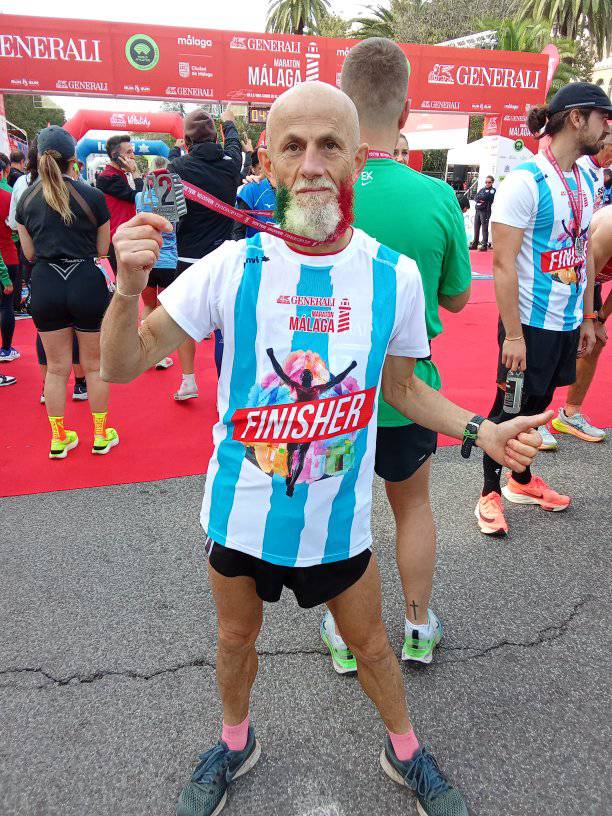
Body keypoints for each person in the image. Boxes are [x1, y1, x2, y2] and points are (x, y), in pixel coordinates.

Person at [101, 80, 549, 816]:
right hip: (239, 515)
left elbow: (402, 389)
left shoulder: (391, 276)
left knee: (373, 647)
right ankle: (235, 742)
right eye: (293, 146)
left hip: (337, 524)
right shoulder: (232, 268)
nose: (311, 163)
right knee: (235, 639)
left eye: (329, 145)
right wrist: (126, 289)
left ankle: (405, 753)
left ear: (354, 161)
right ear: (269, 163)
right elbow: (120, 366)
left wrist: (482, 430)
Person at [315, 37, 472, 671]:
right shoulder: (437, 197)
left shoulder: (314, 190)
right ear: (404, 116)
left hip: (324, 396)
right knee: (413, 507)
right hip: (410, 393)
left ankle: (347, 636)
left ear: (340, 111)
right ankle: (415, 626)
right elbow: (458, 298)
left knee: (336, 516)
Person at [475, 82, 610, 536]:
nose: (606, 128)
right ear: (576, 118)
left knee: (537, 406)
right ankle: (489, 493)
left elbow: (586, 250)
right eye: (602, 118)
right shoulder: (524, 180)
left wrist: (589, 316)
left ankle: (521, 480)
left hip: (567, 321)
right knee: (508, 408)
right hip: (527, 325)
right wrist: (512, 334)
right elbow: (501, 262)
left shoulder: (588, 178)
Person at [16, 125, 118, 459]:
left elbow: (28, 254)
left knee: (57, 368)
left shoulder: (27, 199)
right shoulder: (92, 195)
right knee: (94, 364)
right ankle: (101, 435)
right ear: (74, 158)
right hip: (85, 280)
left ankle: (59, 438)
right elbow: (103, 248)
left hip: (46, 282)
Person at [168, 106, 242, 399]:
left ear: (187, 142)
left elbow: (166, 215)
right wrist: (230, 123)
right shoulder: (232, 162)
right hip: (225, 256)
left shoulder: (175, 168)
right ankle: (226, 385)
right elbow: (235, 145)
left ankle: (188, 380)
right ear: (216, 138)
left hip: (188, 257)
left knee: (183, 322)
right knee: (228, 328)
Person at [548, 133, 612, 441]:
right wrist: (587, 317)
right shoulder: (583, 167)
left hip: (592, 277)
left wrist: (600, 320)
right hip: (571, 269)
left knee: (596, 341)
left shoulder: (598, 172)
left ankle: (570, 413)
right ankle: (531, 417)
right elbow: (587, 265)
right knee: (557, 337)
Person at [134, 155, 177, 370]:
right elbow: (174, 227)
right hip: (169, 260)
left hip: (147, 258)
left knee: (149, 305)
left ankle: (145, 348)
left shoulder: (140, 197)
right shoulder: (172, 196)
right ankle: (160, 355)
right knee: (165, 310)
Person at [95, 135, 144, 273]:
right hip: (115, 240)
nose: (133, 156)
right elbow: (139, 197)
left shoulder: (118, 174)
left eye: (132, 151)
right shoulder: (108, 177)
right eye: (128, 152)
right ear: (115, 155)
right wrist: (135, 173)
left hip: (124, 237)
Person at [0, 156, 20, 362]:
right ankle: (6, 349)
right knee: (6, 305)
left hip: (6, 254)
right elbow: (15, 227)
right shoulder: (9, 195)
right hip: (7, 256)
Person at [470, 176, 496, 251]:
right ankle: (475, 243)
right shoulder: (482, 189)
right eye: (486, 182)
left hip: (485, 211)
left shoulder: (492, 190)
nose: (487, 184)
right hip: (478, 210)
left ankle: (484, 245)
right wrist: (480, 198)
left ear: (492, 182)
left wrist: (480, 198)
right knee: (476, 227)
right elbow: (475, 197)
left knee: (484, 228)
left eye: (489, 182)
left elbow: (487, 197)